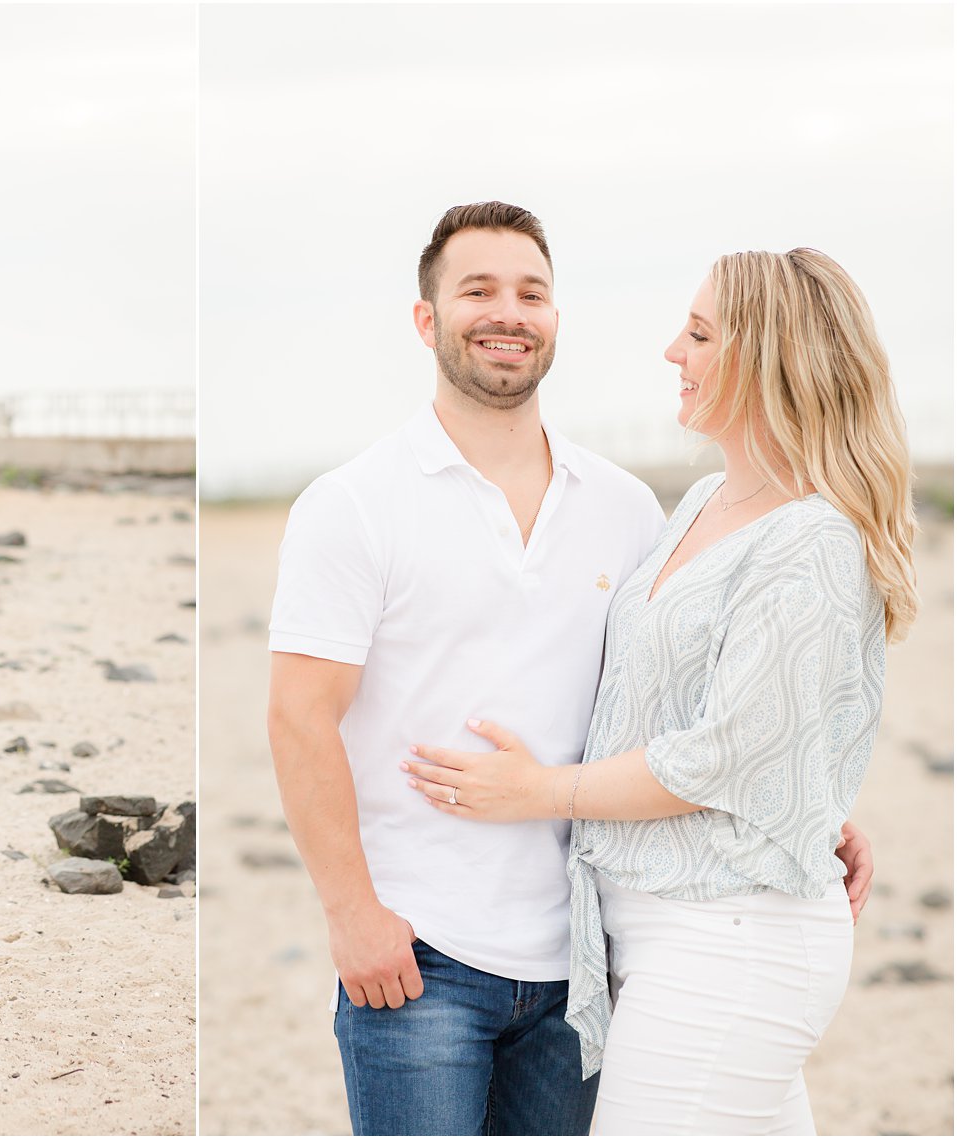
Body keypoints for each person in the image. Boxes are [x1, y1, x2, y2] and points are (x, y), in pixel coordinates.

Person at [267, 203, 875, 1136]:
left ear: (556, 320)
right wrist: (353, 914)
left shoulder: (630, 507)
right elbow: (299, 716)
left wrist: (804, 803)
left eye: (531, 293)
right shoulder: (351, 505)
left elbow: (696, 696)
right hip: (422, 953)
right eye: (478, 290)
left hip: (585, 963)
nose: (507, 311)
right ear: (426, 319)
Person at [402, 247, 915, 1134]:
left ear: (768, 356)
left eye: (701, 333)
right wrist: (804, 803)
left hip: (733, 941)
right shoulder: (709, 498)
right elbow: (715, 715)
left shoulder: (814, 539)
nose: (672, 350)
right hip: (684, 935)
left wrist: (539, 792)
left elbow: (714, 753)